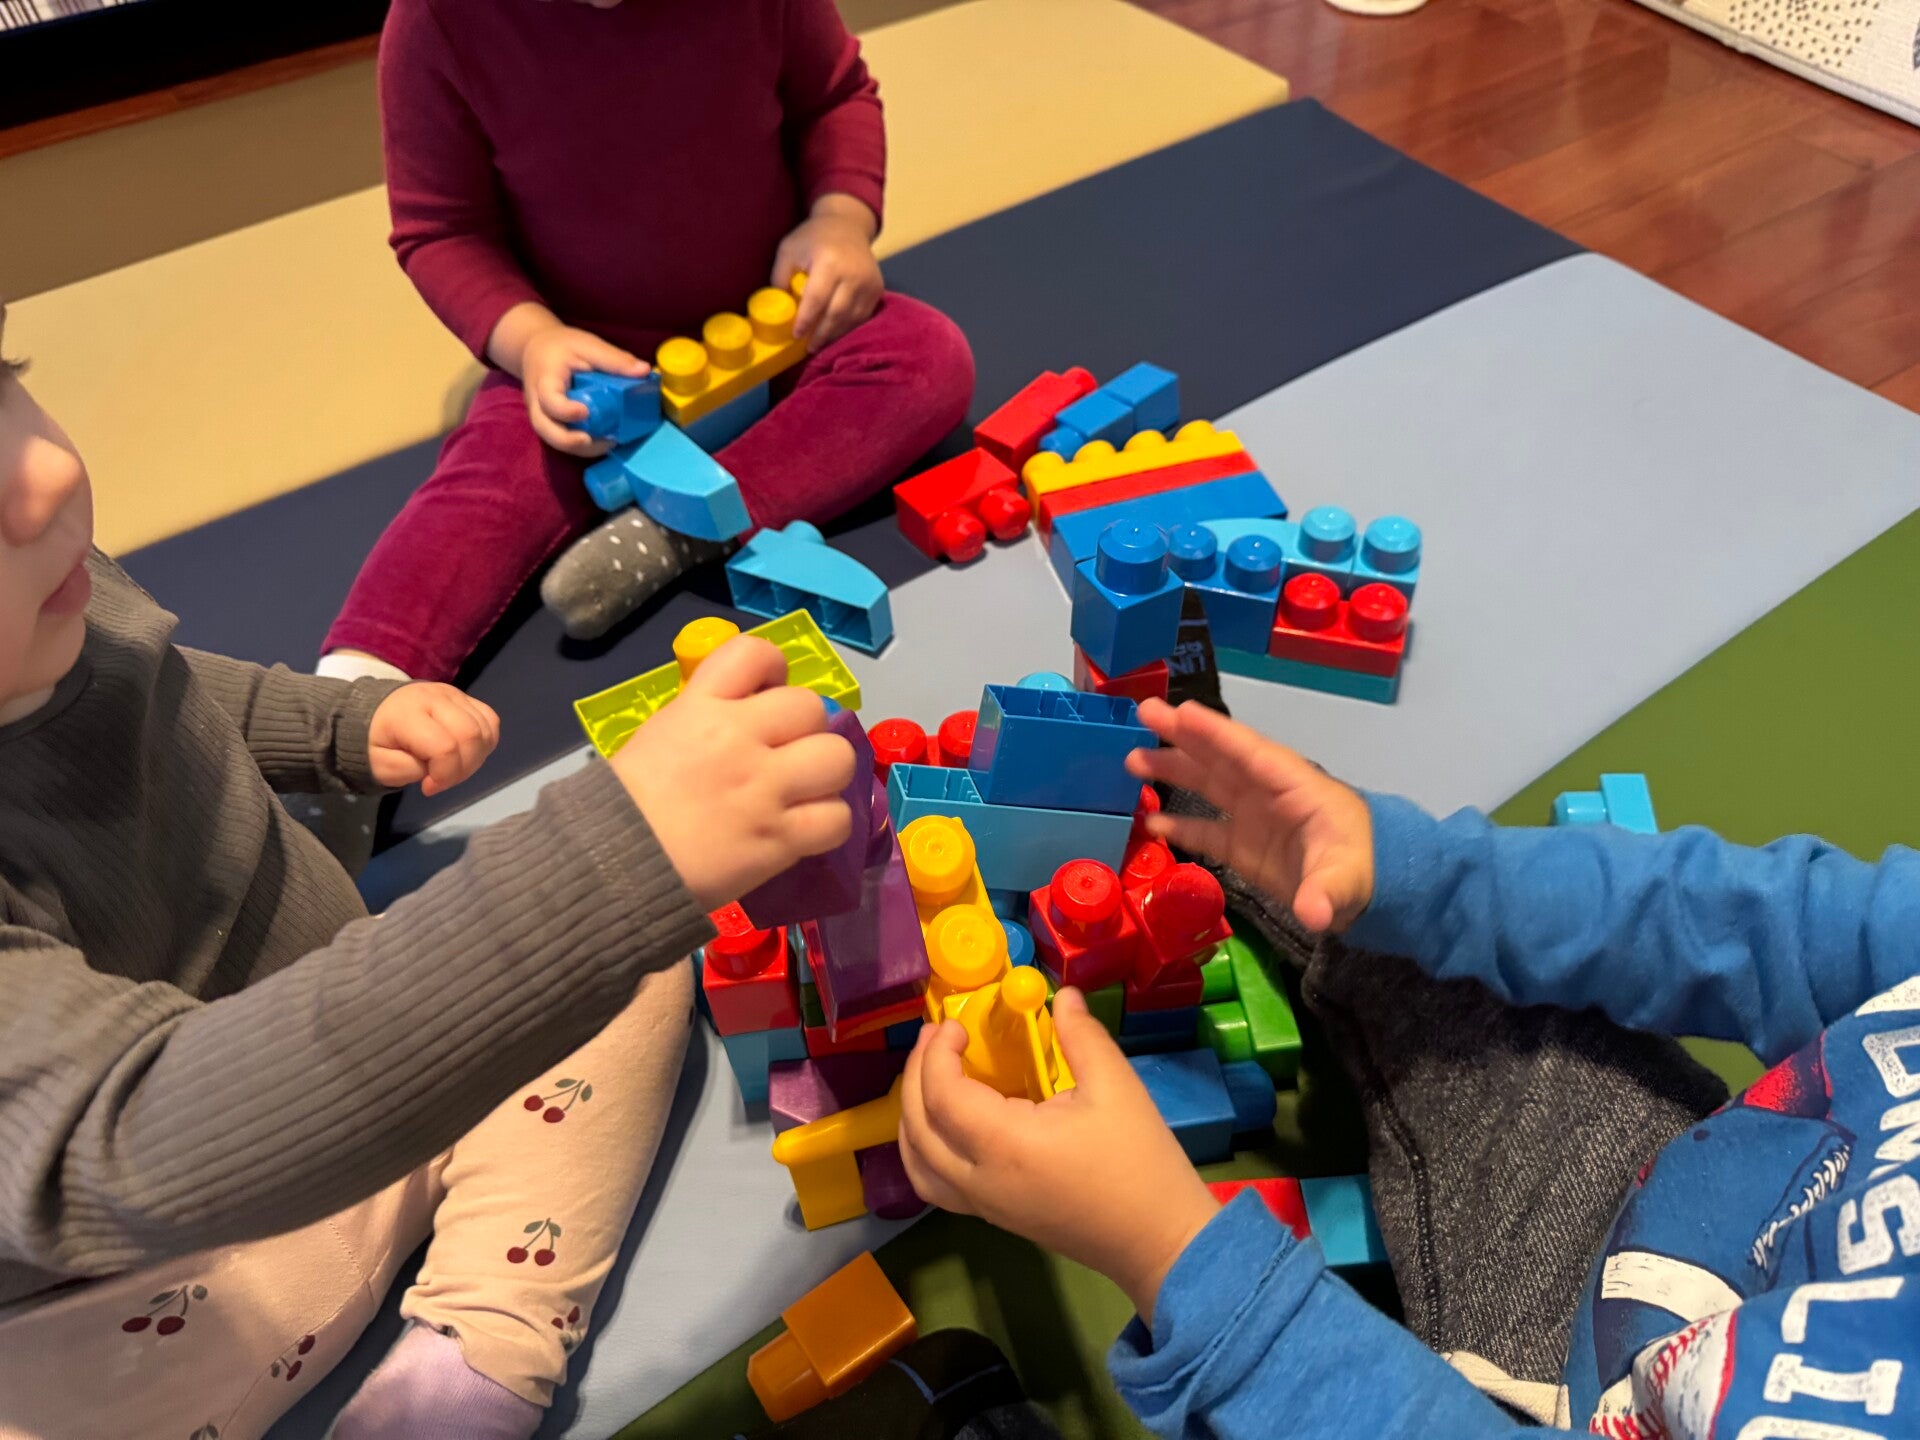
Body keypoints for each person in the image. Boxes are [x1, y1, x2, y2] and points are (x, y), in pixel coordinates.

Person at [0, 325, 859, 1440]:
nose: (44, 472)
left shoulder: (52, 595)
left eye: (4, 383)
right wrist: (612, 858)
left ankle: (471, 1360)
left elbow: (163, 687)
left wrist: (343, 725)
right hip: (134, 1261)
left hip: (350, 1052)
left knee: (631, 955)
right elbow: (120, 1146)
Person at [900, 696, 1920, 1438]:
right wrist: (1421, 871)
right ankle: (1196, 823)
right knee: (1453, 959)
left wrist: (1169, 1254)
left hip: (1559, 1404)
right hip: (1700, 1223)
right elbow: (1763, 923)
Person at [318, 0, 974, 686]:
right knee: (485, 495)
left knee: (926, 356)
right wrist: (533, 340)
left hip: (776, 329)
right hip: (590, 371)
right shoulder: (439, 21)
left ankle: (676, 534)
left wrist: (840, 218)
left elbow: (835, 98)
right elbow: (442, 230)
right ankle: (352, 703)